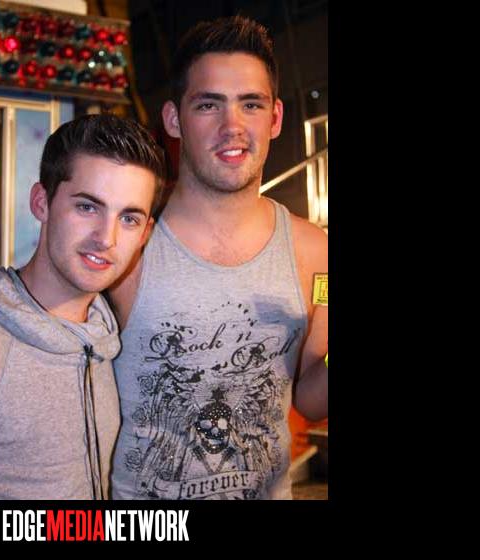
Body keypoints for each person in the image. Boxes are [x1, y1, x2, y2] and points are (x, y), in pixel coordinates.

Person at [107, 16, 328, 500]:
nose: (233, 127)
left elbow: (312, 400)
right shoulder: (126, 247)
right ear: (174, 119)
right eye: (208, 105)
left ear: (275, 118)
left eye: (251, 104)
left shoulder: (316, 252)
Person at [0, 114, 166, 500]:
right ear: (42, 202)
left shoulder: (107, 338)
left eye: (128, 218)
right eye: (88, 207)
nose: (106, 238)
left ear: (145, 233)